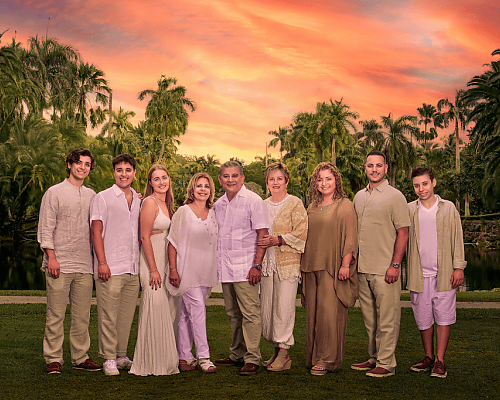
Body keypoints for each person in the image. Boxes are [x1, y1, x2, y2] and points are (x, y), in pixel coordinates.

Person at [38, 148, 102, 374]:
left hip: (84, 264)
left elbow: (101, 226)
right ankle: (53, 358)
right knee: (55, 314)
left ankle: (80, 357)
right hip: (59, 264)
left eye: (86, 164)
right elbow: (46, 228)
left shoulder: (93, 195)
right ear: (69, 165)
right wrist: (52, 258)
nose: (82, 167)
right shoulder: (54, 193)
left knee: (82, 316)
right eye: (78, 163)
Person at [351, 150, 410, 377]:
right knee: (370, 320)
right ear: (365, 168)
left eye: (378, 165)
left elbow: (403, 233)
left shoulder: (396, 197)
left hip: (385, 269)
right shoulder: (358, 197)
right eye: (369, 165)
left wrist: (395, 265)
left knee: (388, 318)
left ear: (386, 168)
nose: (374, 169)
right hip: (363, 268)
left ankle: (387, 363)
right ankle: (374, 357)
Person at [407, 166, 466, 378]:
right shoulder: (409, 210)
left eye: (424, 183)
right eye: (416, 185)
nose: (421, 189)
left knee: (444, 317)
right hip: (418, 275)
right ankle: (428, 357)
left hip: (444, 274)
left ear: (433, 182)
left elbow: (457, 239)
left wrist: (458, 267)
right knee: (423, 318)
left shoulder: (448, 208)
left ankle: (440, 361)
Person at [300, 162, 358, 376]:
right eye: (320, 179)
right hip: (311, 266)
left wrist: (345, 264)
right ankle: (314, 356)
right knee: (314, 314)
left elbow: (350, 236)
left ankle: (327, 360)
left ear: (336, 181)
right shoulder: (312, 206)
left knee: (329, 315)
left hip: (333, 268)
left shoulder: (344, 205)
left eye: (328, 179)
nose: (323, 183)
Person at [213, 161, 269, 376]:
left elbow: (263, 235)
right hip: (226, 268)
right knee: (233, 313)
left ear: (242, 178)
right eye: (226, 176)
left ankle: (253, 358)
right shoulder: (219, 204)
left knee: (250, 313)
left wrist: (257, 265)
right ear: (220, 180)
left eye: (235, 175)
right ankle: (237, 353)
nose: (230, 180)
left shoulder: (253, 201)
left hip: (246, 269)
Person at [90, 153, 141, 376]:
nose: (124, 174)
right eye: (119, 170)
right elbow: (96, 231)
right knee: (108, 314)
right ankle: (108, 358)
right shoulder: (102, 198)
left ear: (134, 173)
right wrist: (102, 262)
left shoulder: (139, 200)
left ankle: (121, 355)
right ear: (114, 172)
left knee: (126, 315)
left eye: (128, 170)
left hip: (133, 267)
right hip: (110, 266)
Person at [129, 164, 180, 376]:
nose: (161, 182)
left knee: (167, 310)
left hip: (165, 258)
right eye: (156, 179)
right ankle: (150, 362)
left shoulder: (167, 203)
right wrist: (153, 269)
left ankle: (167, 360)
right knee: (155, 306)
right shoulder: (149, 203)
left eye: (164, 177)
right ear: (150, 183)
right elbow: (144, 237)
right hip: (153, 260)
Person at [257, 163, 307, 372]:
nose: (275, 182)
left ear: (286, 181)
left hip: (287, 264)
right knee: (267, 308)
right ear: (266, 183)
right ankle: (276, 350)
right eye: (271, 179)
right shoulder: (261, 204)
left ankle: (285, 353)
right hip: (267, 264)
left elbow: (302, 233)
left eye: (279, 178)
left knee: (284, 308)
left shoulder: (295, 203)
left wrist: (277, 240)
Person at [167, 172, 219, 373]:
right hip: (186, 269)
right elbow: (172, 242)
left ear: (211, 190)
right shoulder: (183, 212)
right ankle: (204, 357)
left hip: (205, 270)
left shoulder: (214, 212)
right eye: (199, 186)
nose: (203, 189)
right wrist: (173, 269)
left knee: (187, 314)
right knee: (197, 310)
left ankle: (184, 356)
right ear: (192, 189)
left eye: (206, 186)